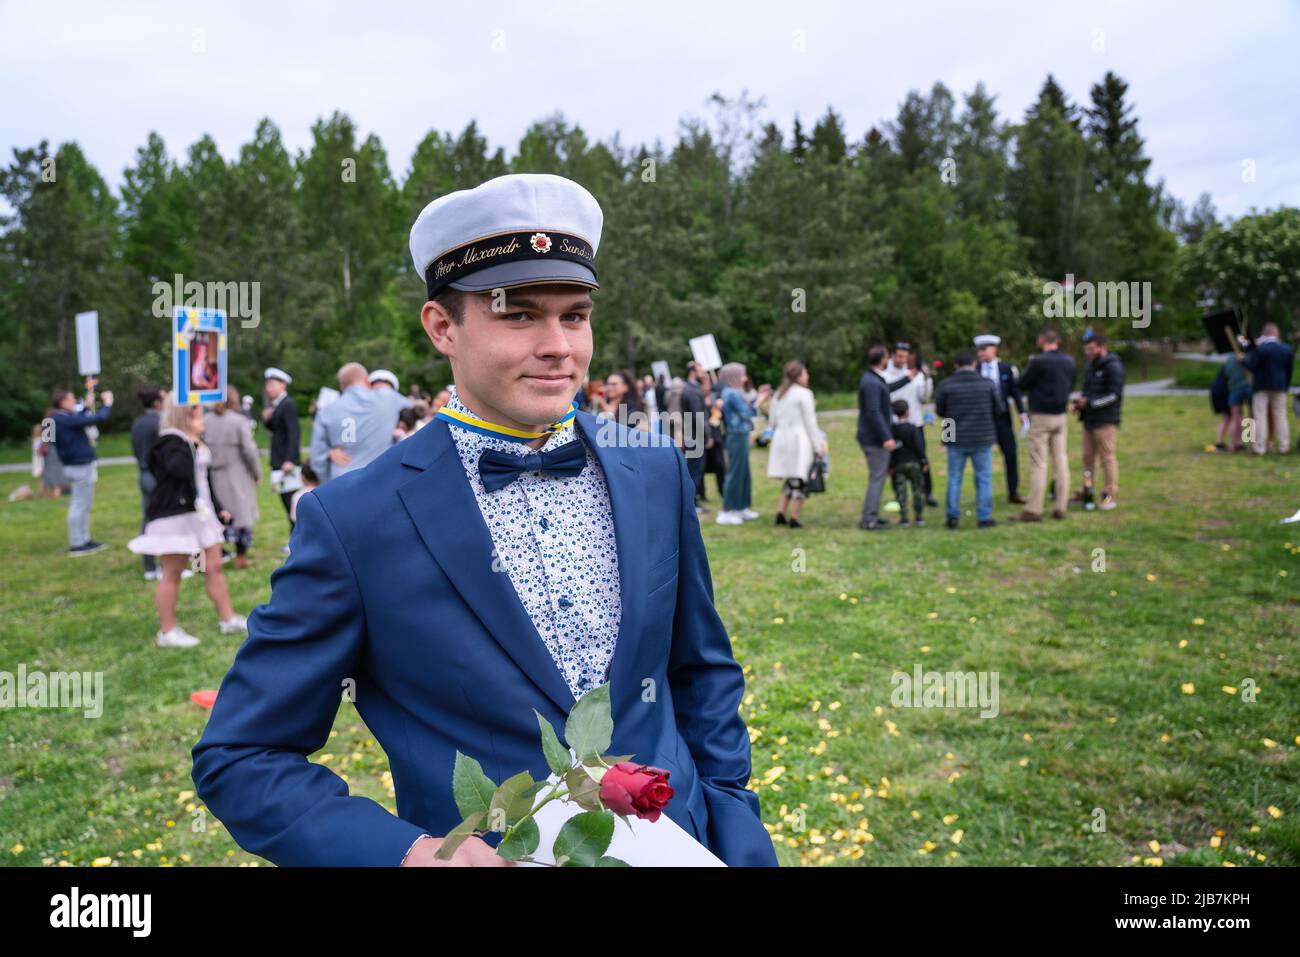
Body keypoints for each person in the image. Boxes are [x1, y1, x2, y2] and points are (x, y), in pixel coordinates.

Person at [192, 172, 776, 868]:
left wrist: (732, 812)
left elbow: (700, 667)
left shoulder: (649, 467)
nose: (559, 343)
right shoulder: (354, 520)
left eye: (575, 314)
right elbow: (241, 753)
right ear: (443, 326)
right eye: (520, 314)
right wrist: (408, 852)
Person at [128, 398, 248, 647]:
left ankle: (228, 619)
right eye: (198, 415)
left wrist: (219, 507)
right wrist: (191, 440)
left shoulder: (192, 440)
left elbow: (203, 478)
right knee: (173, 571)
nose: (203, 420)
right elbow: (181, 470)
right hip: (177, 517)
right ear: (185, 415)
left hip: (201, 515)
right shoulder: (170, 441)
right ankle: (167, 631)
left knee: (212, 567)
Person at [1013, 329, 1076, 522]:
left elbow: (1022, 384)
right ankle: (1061, 505)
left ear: (1042, 341)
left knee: (1038, 463)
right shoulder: (1069, 361)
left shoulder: (1038, 361)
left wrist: (1029, 365)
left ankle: (1034, 509)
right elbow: (1071, 385)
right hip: (1060, 415)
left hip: (1041, 416)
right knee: (1061, 459)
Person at [310, 362, 412, 481]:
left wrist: (328, 456)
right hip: (379, 479)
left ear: (342, 386)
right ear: (367, 380)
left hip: (341, 481)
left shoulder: (326, 411)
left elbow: (317, 459)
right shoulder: (389, 399)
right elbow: (414, 411)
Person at [934, 351, 999, 529]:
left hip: (955, 436)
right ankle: (984, 517)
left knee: (954, 477)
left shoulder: (946, 385)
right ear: (974, 363)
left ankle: (952, 516)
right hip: (982, 435)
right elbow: (998, 408)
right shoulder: (987, 384)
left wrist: (946, 437)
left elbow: (941, 412)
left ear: (955, 364)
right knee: (984, 477)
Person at [50, 381, 114, 555]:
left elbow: (79, 421)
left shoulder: (58, 418)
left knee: (83, 504)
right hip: (79, 466)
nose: (74, 402)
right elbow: (99, 418)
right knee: (79, 505)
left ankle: (84, 539)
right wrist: (107, 404)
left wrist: (86, 407)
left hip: (73, 465)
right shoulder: (63, 419)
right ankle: (77, 544)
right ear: (62, 402)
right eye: (71, 400)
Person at [857, 344, 914, 530]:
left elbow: (887, 388)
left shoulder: (872, 379)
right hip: (874, 439)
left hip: (872, 436)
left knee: (878, 476)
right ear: (882, 359)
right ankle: (869, 519)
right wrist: (886, 437)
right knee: (877, 477)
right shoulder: (872, 382)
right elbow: (874, 412)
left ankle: (870, 515)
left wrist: (907, 378)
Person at [206, 386, 262, 569]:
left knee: (214, 515)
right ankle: (240, 558)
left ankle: (211, 559)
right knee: (241, 517)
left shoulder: (205, 421)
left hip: (211, 475)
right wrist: (256, 473)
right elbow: (250, 451)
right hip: (236, 474)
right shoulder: (239, 422)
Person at [767, 360, 825, 529]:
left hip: (781, 437)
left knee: (790, 477)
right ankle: (794, 516)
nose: (808, 376)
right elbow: (810, 422)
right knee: (800, 478)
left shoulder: (779, 393)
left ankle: (781, 512)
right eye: (805, 373)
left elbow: (772, 420)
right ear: (799, 375)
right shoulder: (804, 394)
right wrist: (818, 444)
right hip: (799, 439)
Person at [1071, 332, 1124, 510]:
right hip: (1089, 420)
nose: (1088, 352)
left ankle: (1109, 495)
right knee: (1087, 459)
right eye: (1086, 349)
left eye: (1092, 348)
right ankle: (1087, 490)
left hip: (1106, 421)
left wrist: (1090, 402)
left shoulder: (1114, 367)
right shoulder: (1090, 366)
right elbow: (1087, 392)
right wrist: (1080, 403)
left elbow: (1114, 396)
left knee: (1107, 458)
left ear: (1102, 346)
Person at [974, 334, 1028, 505]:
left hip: (1002, 418)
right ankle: (982, 494)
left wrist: (1022, 412)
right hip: (983, 420)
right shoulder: (975, 370)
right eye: (979, 350)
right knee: (981, 457)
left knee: (1010, 455)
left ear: (994, 349)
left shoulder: (1006, 369)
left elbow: (1015, 392)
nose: (981, 353)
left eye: (985, 349)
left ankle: (1013, 491)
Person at [716, 362, 770, 525]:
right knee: (735, 472)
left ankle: (741, 507)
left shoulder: (732, 392)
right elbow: (747, 412)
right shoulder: (731, 393)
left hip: (741, 434)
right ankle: (727, 511)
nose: (745, 378)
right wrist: (759, 401)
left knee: (744, 473)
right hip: (736, 435)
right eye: (743, 374)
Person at [883, 342, 936, 506]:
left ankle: (926, 492)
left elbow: (924, 397)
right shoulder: (885, 375)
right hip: (894, 425)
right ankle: (899, 494)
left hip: (915, 422)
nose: (902, 359)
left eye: (905, 356)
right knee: (895, 461)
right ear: (892, 356)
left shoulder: (916, 374)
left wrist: (927, 380)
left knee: (921, 457)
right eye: (899, 356)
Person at [1241, 323, 1294, 455]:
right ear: (1277, 333)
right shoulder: (1287, 349)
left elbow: (1252, 367)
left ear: (1264, 334)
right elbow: (1289, 371)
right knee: (1281, 416)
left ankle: (1259, 448)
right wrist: (1286, 385)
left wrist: (1242, 360)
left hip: (1261, 386)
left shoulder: (1260, 350)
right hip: (1280, 386)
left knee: (1260, 416)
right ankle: (1284, 446)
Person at [131, 389, 166, 579]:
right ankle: (169, 564)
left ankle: (149, 566)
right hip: (157, 478)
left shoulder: (138, 423)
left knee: (148, 519)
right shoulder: (159, 423)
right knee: (164, 521)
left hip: (143, 474)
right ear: (157, 403)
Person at [262, 367, 301, 533]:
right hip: (279, 461)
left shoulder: (288, 404)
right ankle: (294, 538)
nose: (268, 388)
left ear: (283, 385)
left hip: (286, 463)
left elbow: (294, 433)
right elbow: (277, 430)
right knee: (286, 503)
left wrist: (290, 459)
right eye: (267, 385)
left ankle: (297, 539)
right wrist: (267, 420)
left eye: (272, 384)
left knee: (292, 503)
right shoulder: (278, 406)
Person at [888, 399, 926, 526]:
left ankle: (904, 517)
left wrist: (890, 466)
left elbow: (891, 450)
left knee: (901, 491)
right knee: (917, 489)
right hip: (913, 462)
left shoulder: (892, 430)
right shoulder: (912, 428)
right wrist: (923, 461)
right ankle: (919, 517)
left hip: (898, 464)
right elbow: (919, 446)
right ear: (907, 411)